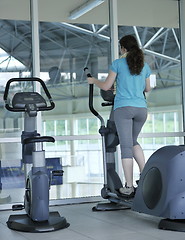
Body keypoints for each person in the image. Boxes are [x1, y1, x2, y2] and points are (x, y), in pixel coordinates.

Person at [87, 35, 151, 198]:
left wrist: (94, 81)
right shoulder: (144, 65)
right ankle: (145, 176)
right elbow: (148, 88)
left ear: (123, 48)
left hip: (124, 108)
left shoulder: (118, 64)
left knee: (126, 146)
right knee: (133, 141)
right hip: (141, 109)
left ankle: (128, 186)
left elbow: (107, 86)